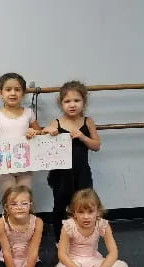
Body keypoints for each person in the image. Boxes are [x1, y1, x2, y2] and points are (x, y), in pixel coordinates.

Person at [44, 81, 101, 242]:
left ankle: (84, 239)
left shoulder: (87, 122)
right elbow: (41, 143)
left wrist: (83, 137)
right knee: (60, 207)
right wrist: (47, 131)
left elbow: (96, 146)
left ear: (84, 102)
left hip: (82, 172)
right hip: (60, 175)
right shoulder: (57, 122)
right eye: (67, 101)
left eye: (76, 100)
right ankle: (59, 241)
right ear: (61, 103)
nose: (72, 105)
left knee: (85, 206)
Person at [0, 185, 59, 267]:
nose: (19, 207)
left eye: (24, 203)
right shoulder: (1, 223)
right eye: (14, 204)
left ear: (30, 205)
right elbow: (6, 252)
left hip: (29, 260)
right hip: (8, 261)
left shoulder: (38, 222)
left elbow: (33, 250)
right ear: (6, 207)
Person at [55, 189, 128, 267]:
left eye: (90, 212)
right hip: (73, 262)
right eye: (81, 212)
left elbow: (113, 253)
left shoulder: (102, 225)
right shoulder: (68, 226)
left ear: (98, 211)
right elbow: (62, 254)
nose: (86, 217)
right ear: (74, 213)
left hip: (94, 261)